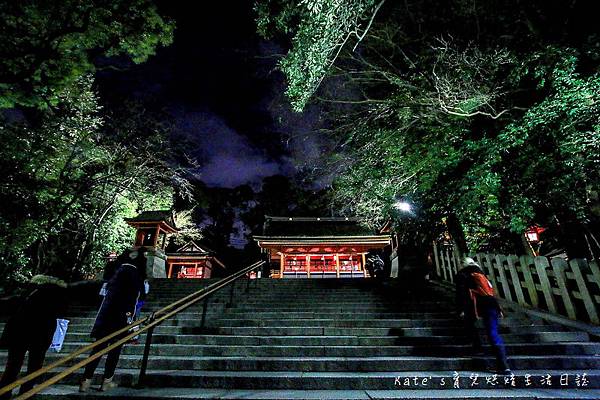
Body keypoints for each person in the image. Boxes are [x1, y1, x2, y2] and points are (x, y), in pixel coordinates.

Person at [79, 248, 147, 392]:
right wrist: (131, 320)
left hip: (105, 316)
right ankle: (106, 381)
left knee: (97, 349)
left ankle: (86, 381)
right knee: (115, 349)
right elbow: (135, 300)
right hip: (121, 317)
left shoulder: (116, 273)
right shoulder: (136, 275)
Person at [0, 275, 68, 399]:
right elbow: (60, 312)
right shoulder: (57, 293)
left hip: (20, 331)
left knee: (13, 365)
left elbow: (15, 308)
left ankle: (4, 392)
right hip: (41, 333)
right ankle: (26, 392)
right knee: (34, 366)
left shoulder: (30, 290)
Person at [456, 257, 511, 374]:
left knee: (470, 324)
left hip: (475, 304)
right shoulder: (480, 273)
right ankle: (504, 365)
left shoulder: (463, 274)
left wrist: (461, 309)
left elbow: (462, 293)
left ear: (462, 264)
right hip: (491, 304)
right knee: (493, 332)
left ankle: (478, 348)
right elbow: (489, 291)